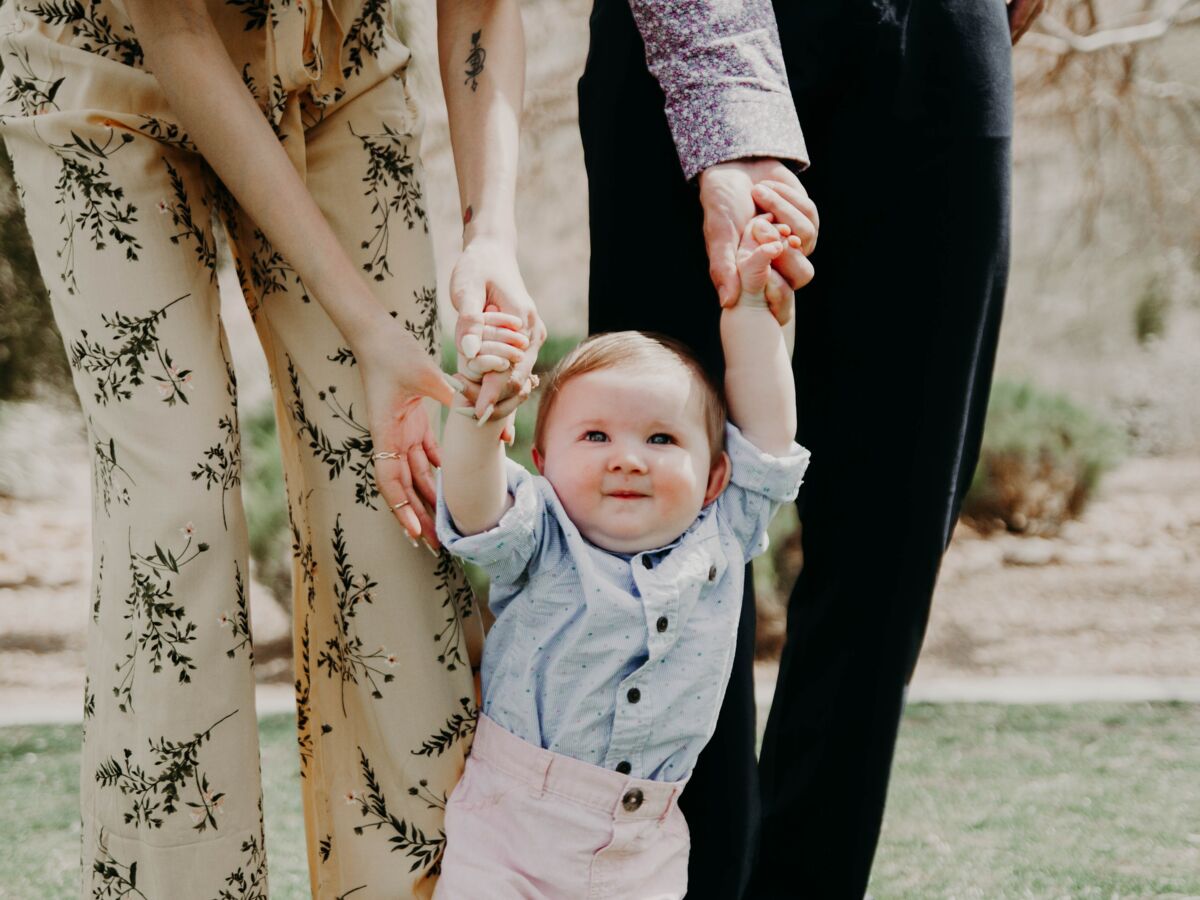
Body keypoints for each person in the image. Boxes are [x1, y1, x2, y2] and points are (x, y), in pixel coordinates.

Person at [0, 0, 540, 896]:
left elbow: (482, 9)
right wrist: (368, 329)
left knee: (391, 494)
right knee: (174, 510)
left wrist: (494, 239)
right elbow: (176, 37)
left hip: (337, 66)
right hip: (105, 65)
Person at [579, 0, 1036, 896]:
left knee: (890, 550)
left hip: (937, 40)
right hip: (686, 33)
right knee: (666, 535)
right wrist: (726, 115)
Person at [431, 215, 810, 898]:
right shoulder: (543, 531)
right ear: (542, 464)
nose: (628, 459)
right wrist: (479, 418)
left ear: (716, 478)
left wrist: (750, 307)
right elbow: (471, 505)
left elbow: (771, 437)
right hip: (510, 827)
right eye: (596, 435)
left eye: (662, 439)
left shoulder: (722, 532)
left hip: (644, 844)